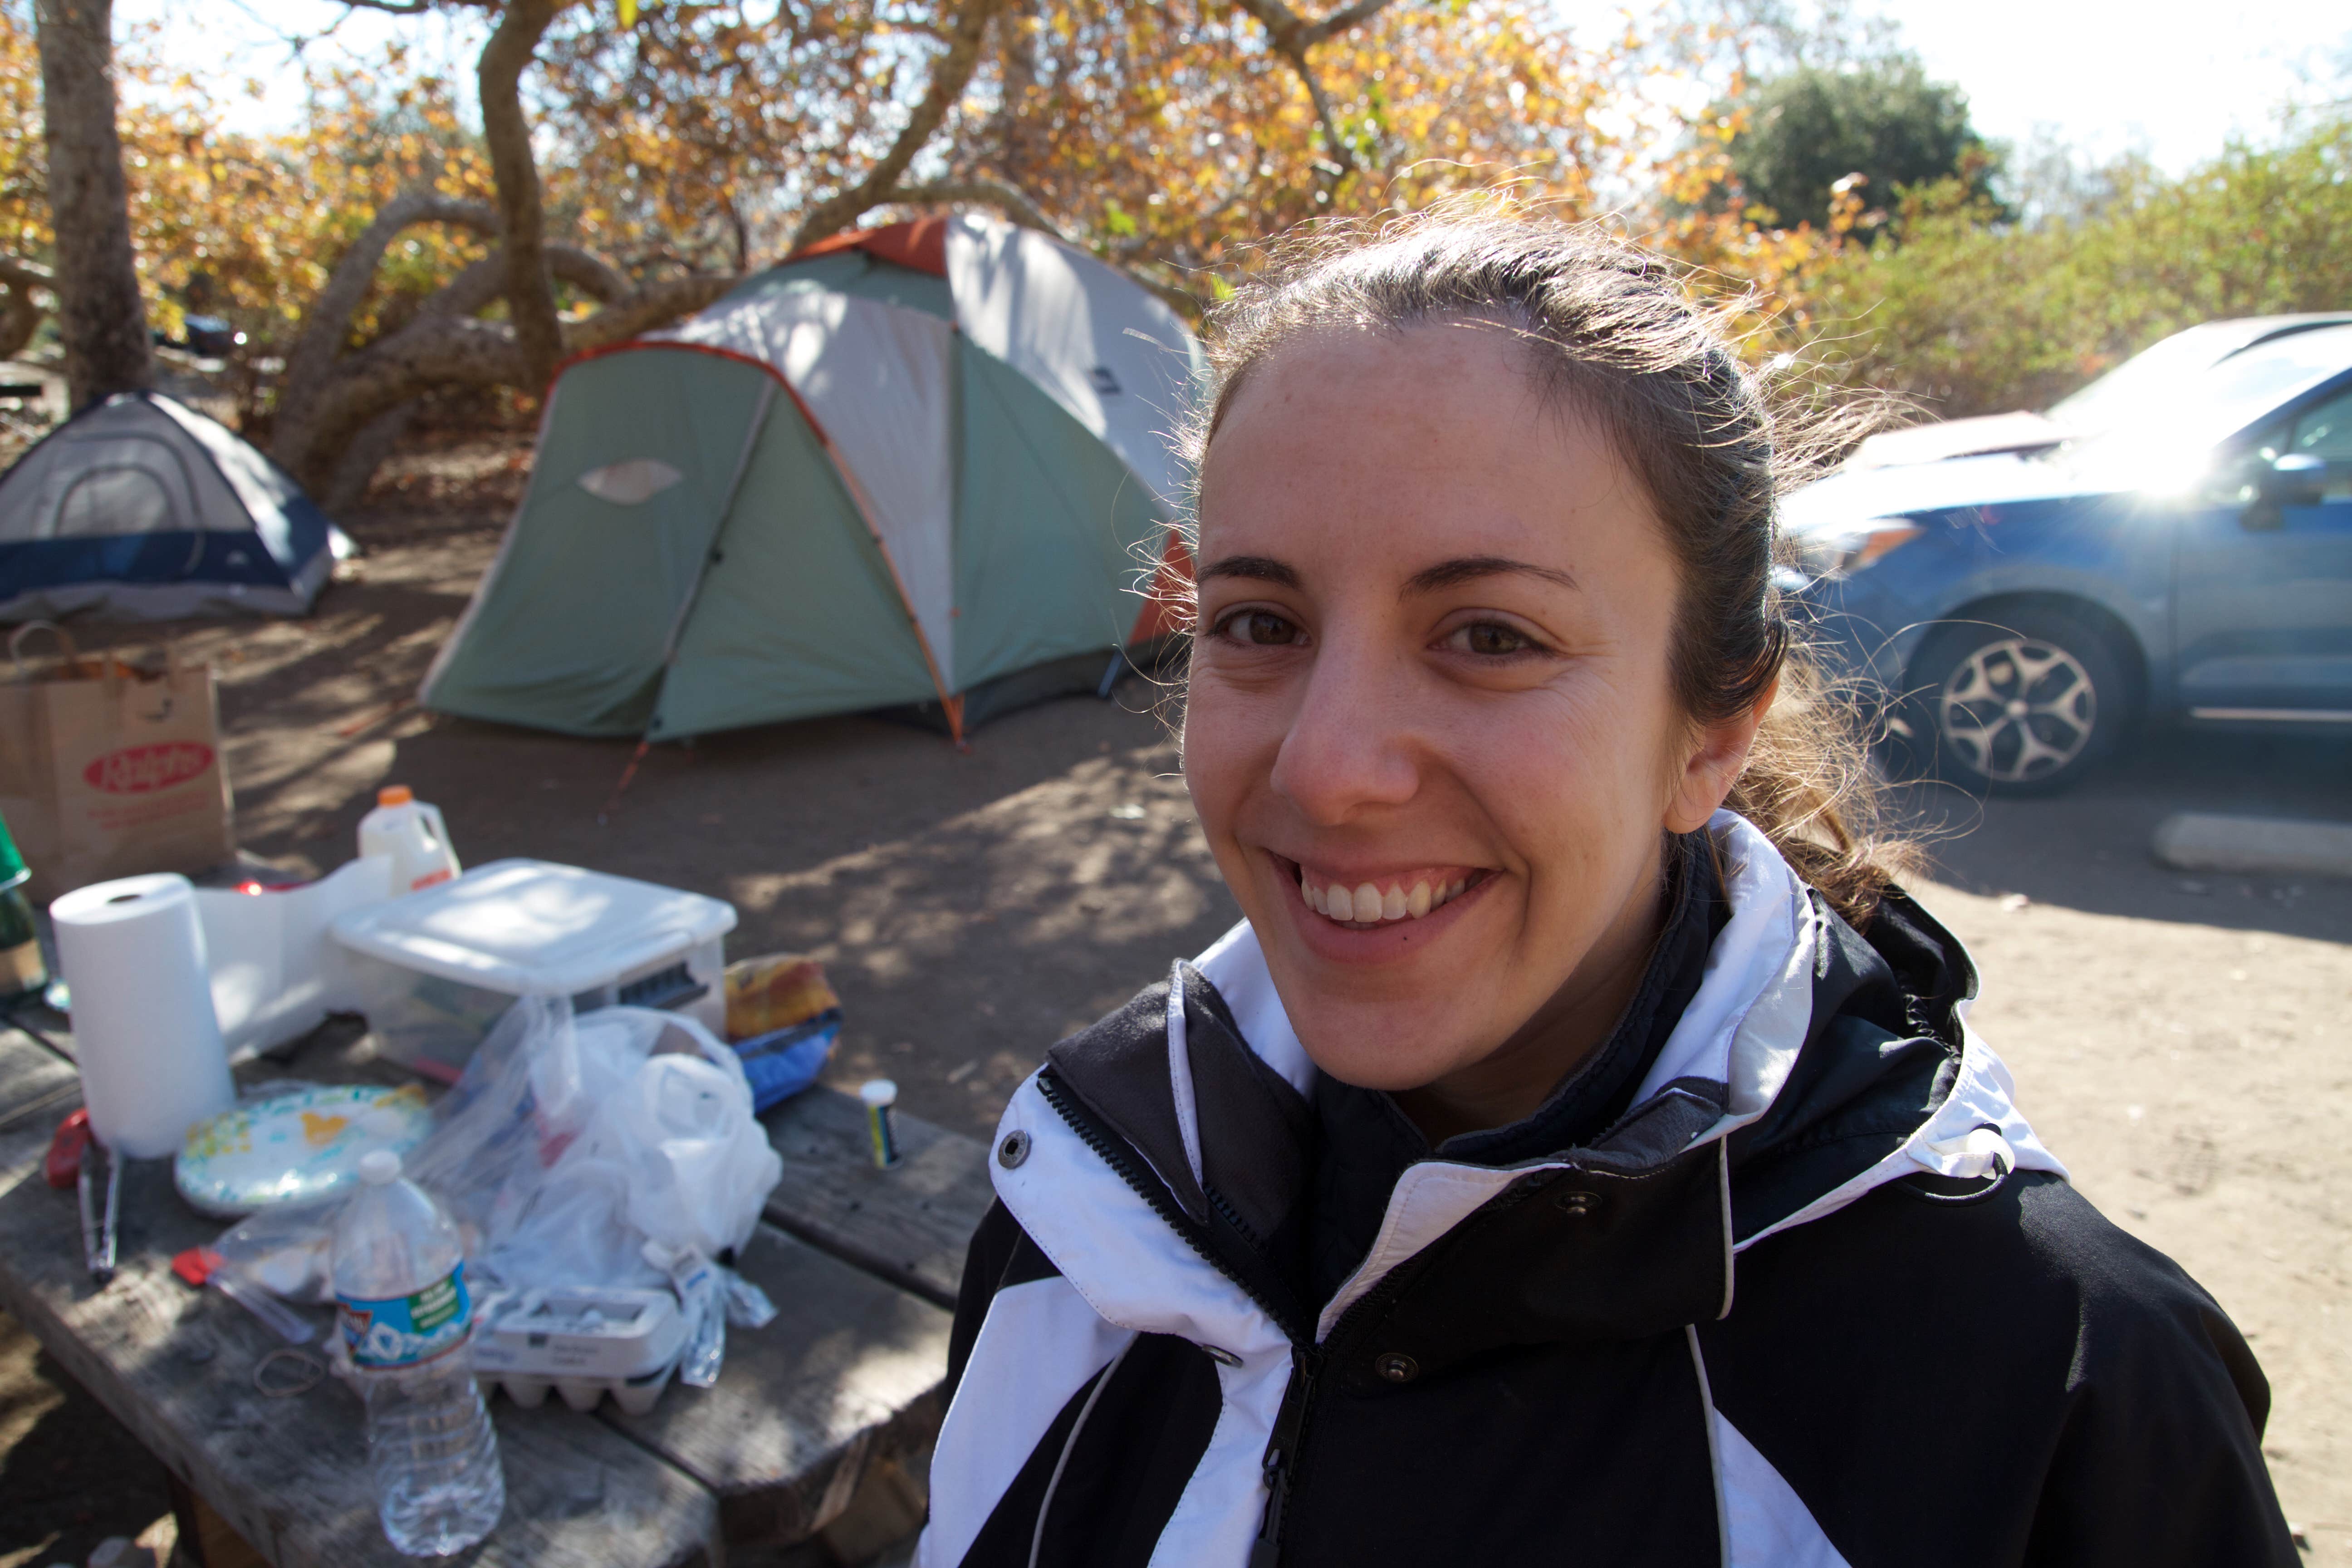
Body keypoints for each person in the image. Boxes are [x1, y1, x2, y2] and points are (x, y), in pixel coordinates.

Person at [917, 210, 2294, 1568]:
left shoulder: (2051, 1394)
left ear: (1712, 731)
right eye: (1260, 625)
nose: (1329, 769)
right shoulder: (1084, 1205)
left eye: (1491, 636)